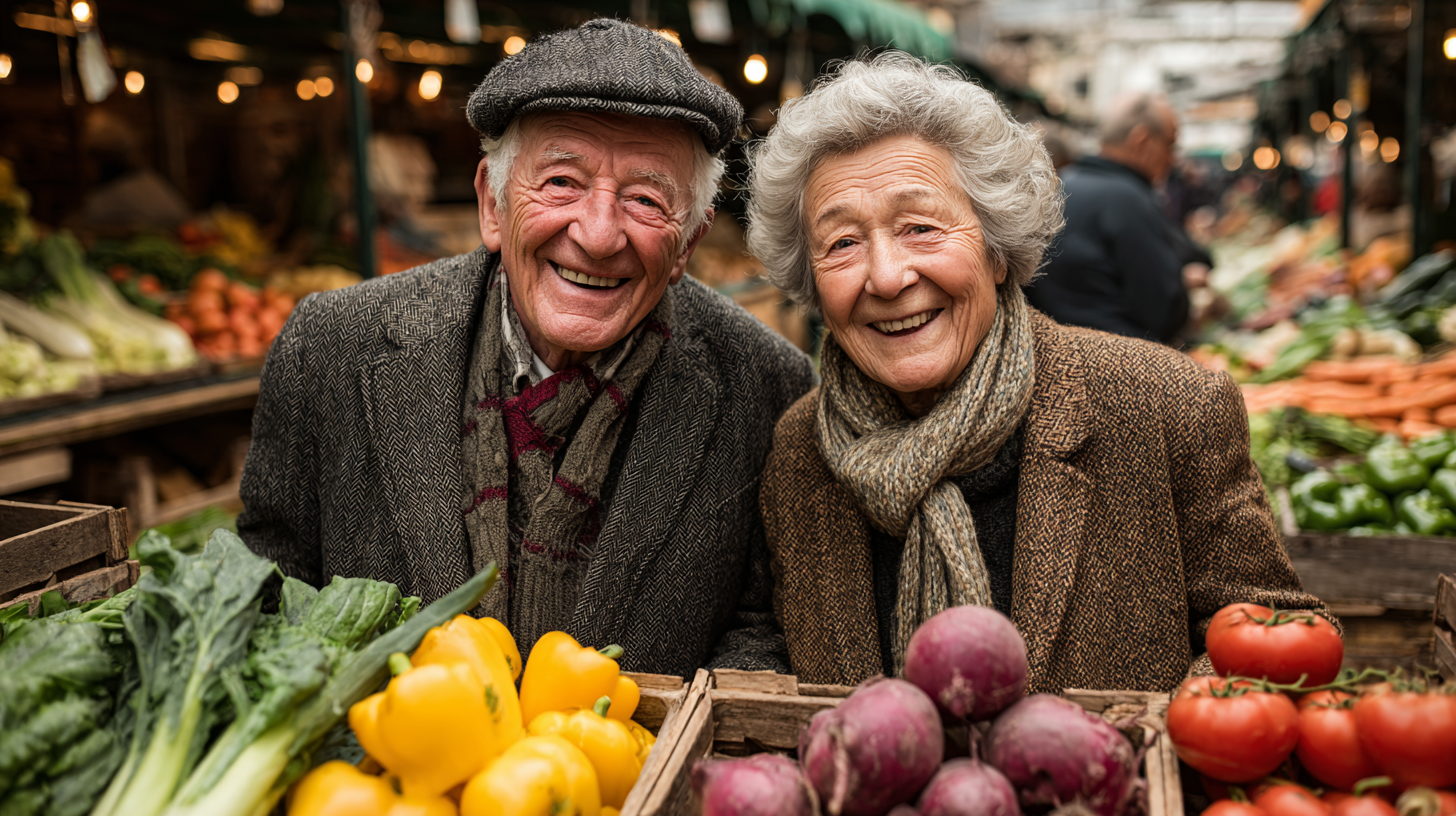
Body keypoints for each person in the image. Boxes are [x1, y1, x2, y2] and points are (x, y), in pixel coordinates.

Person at [239, 19, 815, 677]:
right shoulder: (333, 348)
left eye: (647, 199)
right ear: (492, 204)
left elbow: (762, 627)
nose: (598, 236)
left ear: (688, 241)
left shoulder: (768, 387)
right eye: (562, 183)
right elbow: (273, 590)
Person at [747, 54, 1328, 693]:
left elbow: (1282, 636)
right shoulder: (801, 448)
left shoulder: (1169, 406)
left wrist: (1129, 745)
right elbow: (772, 647)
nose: (887, 276)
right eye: (842, 243)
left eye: (921, 226)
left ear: (997, 250)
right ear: (810, 280)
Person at [1025, 93, 1192, 344]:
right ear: (1141, 140)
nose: (1173, 158)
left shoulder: (1060, 186)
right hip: (1119, 362)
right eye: (1170, 144)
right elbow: (1163, 309)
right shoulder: (1128, 199)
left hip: (1052, 356)